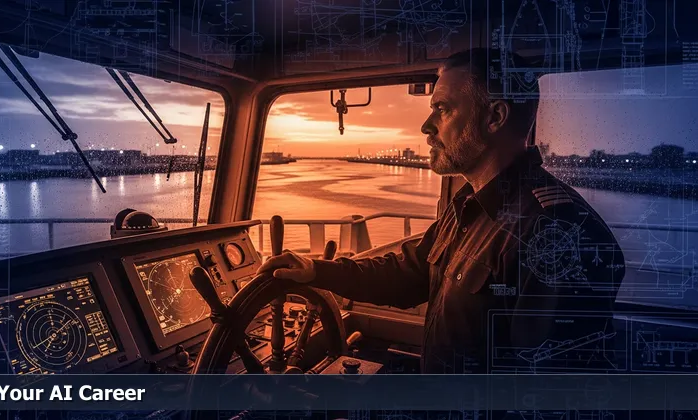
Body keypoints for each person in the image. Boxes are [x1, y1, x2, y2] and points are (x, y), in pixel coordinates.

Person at [257, 48, 626, 374]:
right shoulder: (469, 203)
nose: (426, 126)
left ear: (494, 116)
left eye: (442, 109)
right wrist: (316, 271)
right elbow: (410, 272)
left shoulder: (559, 233)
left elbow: (548, 395)